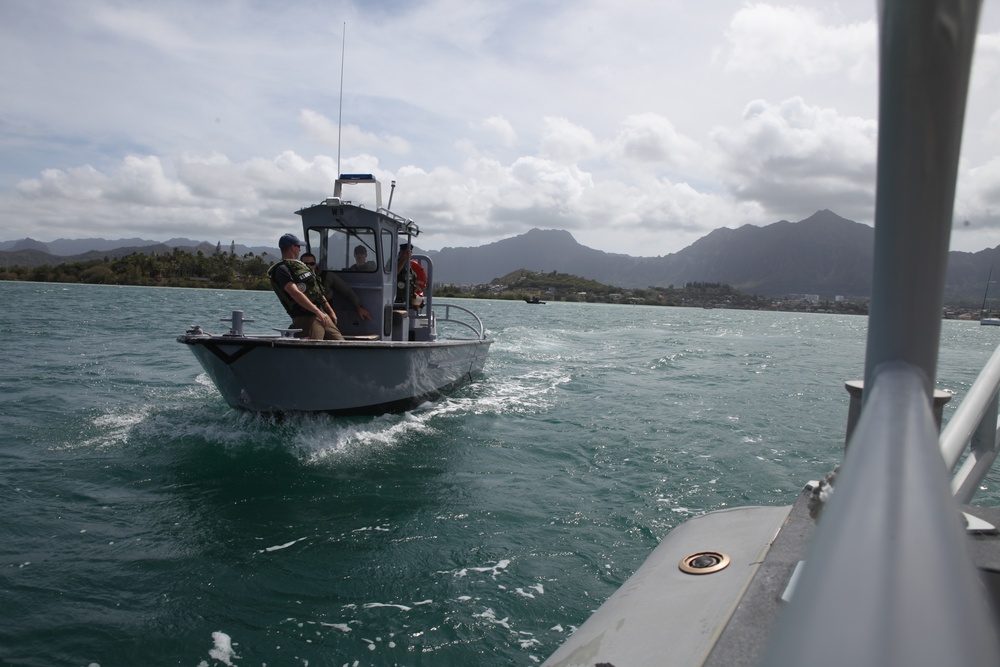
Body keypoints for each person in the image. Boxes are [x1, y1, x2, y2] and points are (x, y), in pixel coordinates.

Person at [266, 234, 344, 340]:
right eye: (298, 246)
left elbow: (316, 291)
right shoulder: (282, 269)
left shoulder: (301, 267)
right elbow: (295, 293)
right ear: (292, 247)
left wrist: (330, 311)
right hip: (306, 316)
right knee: (314, 348)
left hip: (321, 313)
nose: (300, 249)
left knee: (340, 343)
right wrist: (316, 311)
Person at [301, 251, 372, 322]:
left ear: (315, 265)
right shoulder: (294, 279)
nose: (308, 266)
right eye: (305, 264)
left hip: (323, 314)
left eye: (311, 264)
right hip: (303, 315)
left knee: (334, 333)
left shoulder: (326, 276)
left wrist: (358, 307)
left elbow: (347, 291)